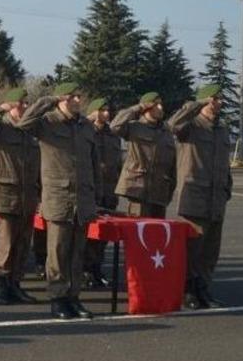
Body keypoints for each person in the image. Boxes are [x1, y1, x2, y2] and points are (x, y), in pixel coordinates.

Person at [15, 82, 100, 320]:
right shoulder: (47, 123)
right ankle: (58, 298)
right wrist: (50, 100)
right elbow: (24, 122)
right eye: (72, 96)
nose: (77, 101)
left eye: (79, 96)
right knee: (58, 252)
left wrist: (96, 195)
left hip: (83, 199)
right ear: (62, 99)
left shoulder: (86, 126)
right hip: (59, 198)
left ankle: (74, 297)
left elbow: (94, 163)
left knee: (77, 253)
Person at [167, 84, 232, 309]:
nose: (219, 103)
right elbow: (172, 124)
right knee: (192, 248)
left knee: (210, 251)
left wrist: (227, 187)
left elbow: (224, 163)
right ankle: (188, 291)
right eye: (214, 99)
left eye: (220, 99)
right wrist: (196, 104)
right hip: (195, 196)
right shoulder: (191, 126)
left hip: (217, 197)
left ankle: (204, 289)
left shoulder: (222, 129)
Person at [0, 87, 40, 305]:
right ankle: (2, 287)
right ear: (11, 105)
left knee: (23, 244)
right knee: (5, 243)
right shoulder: (0, 128)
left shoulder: (30, 130)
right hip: (5, 194)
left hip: (27, 195)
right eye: (20, 103)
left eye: (26, 103)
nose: (24, 107)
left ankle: (15, 284)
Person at [111, 92, 176, 218]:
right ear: (147, 107)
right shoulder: (135, 127)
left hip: (159, 192)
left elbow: (172, 165)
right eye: (156, 105)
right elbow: (114, 126)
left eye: (161, 104)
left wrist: (169, 191)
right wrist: (138, 107)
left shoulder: (166, 132)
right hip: (138, 190)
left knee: (158, 229)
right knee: (138, 228)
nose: (161, 108)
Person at [83, 97, 122, 288]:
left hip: (109, 191)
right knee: (89, 235)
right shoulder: (85, 132)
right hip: (91, 190)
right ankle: (86, 270)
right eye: (101, 110)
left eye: (108, 110)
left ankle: (97, 269)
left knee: (104, 236)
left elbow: (118, 164)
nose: (106, 114)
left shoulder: (113, 135)